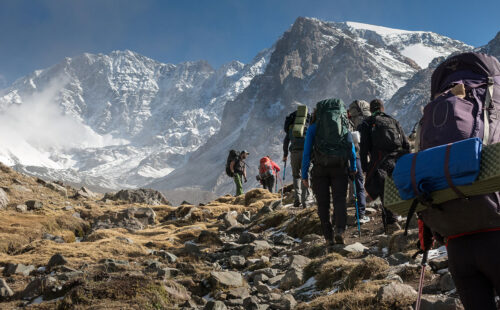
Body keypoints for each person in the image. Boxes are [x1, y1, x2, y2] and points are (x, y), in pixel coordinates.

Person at [302, 99, 357, 245]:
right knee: (340, 200)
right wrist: (353, 167)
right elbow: (350, 148)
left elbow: (306, 153)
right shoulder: (343, 125)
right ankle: (340, 230)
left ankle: (328, 237)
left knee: (323, 204)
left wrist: (304, 174)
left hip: (320, 169)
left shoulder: (313, 127)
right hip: (340, 167)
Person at [359, 99, 410, 233]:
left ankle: (391, 223)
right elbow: (406, 143)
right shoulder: (393, 120)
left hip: (379, 161)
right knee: (395, 188)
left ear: (371, 109)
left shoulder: (367, 123)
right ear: (382, 108)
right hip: (397, 160)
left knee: (383, 191)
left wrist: (365, 168)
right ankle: (402, 217)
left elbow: (363, 148)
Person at [347, 100, 371, 224]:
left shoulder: (348, 120)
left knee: (354, 177)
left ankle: (351, 198)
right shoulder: (367, 118)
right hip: (360, 150)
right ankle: (363, 207)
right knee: (359, 178)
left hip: (351, 152)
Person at [283, 109, 312, 208]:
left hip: (294, 153)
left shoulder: (291, 127)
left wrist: (285, 154)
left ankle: (297, 199)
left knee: (296, 176)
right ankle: (305, 200)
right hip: (306, 153)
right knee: (306, 174)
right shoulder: (307, 126)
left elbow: (286, 142)